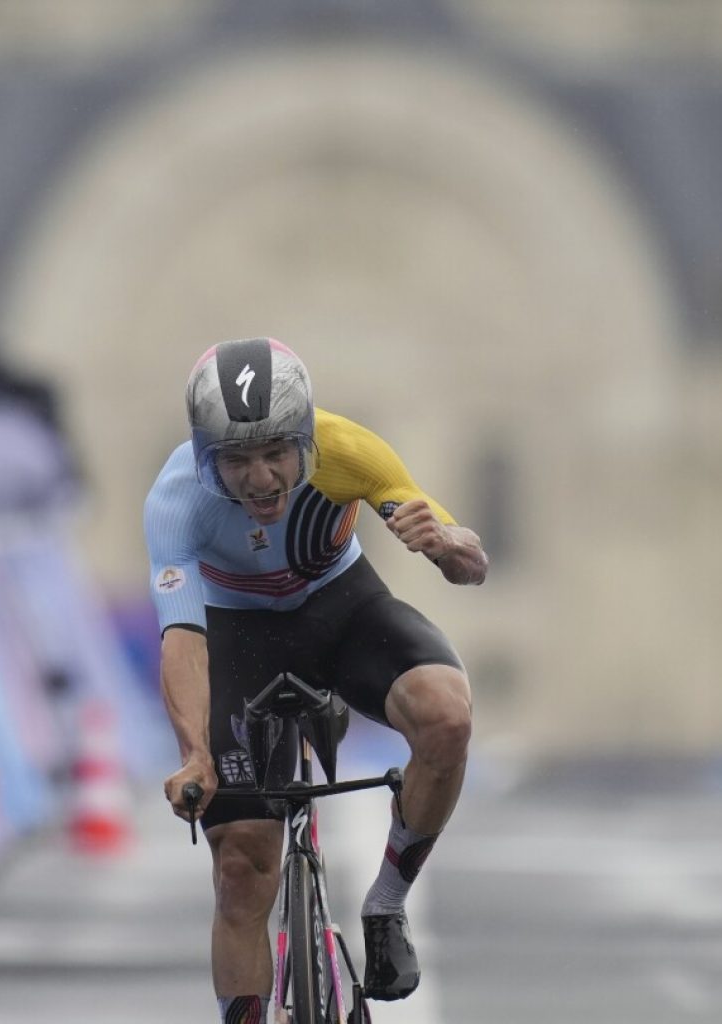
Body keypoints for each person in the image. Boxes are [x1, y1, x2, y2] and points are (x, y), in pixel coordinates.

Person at [144, 337, 488, 1023]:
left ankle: (387, 904)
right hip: (235, 634)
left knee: (446, 715)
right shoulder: (177, 500)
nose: (261, 478)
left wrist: (452, 548)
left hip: (340, 610)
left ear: (306, 438)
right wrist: (196, 754)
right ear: (206, 455)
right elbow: (182, 637)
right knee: (242, 870)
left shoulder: (347, 450)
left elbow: (471, 565)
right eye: (236, 459)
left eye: (276, 453)